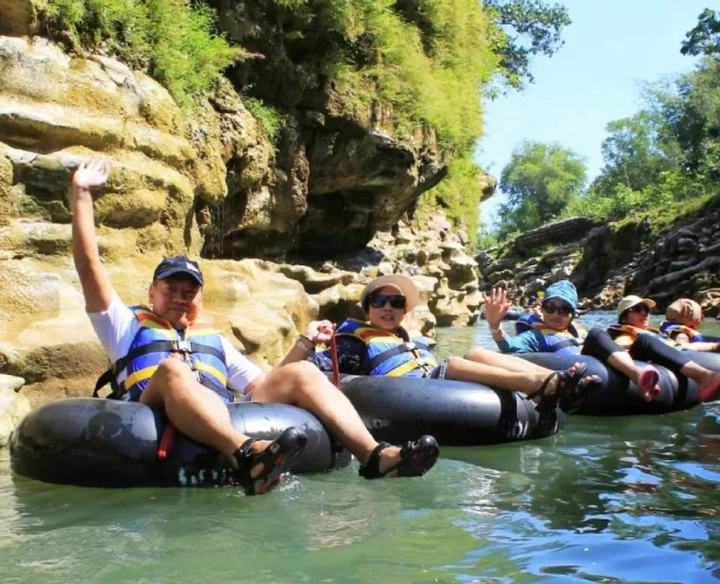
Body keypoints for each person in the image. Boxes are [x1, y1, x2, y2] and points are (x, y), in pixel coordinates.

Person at [71, 158, 439, 495]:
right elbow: (89, 268)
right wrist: (82, 194)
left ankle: (374, 456)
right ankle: (245, 457)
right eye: (171, 290)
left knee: (301, 372)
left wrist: (305, 345)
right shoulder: (123, 325)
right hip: (150, 412)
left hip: (219, 412)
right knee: (172, 367)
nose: (181, 297)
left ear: (200, 297)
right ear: (152, 292)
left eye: (190, 291)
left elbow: (263, 385)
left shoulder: (210, 339)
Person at [296, 274, 599, 413]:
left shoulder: (409, 339)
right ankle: (540, 384)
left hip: (433, 385)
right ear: (368, 308)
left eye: (396, 302)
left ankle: (548, 383)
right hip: (407, 396)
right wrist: (308, 341)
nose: (388, 307)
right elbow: (303, 375)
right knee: (453, 363)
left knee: (475, 352)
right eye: (380, 301)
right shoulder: (353, 343)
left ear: (404, 310)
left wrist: (493, 329)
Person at [485, 283, 720, 403]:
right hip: (582, 369)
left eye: (564, 309)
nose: (557, 314)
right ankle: (638, 376)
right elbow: (510, 348)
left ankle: (702, 375)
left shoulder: (578, 331)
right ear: (543, 309)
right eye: (550, 308)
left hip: (604, 361)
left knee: (645, 338)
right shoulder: (536, 335)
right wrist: (495, 327)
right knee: (598, 334)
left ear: (573, 314)